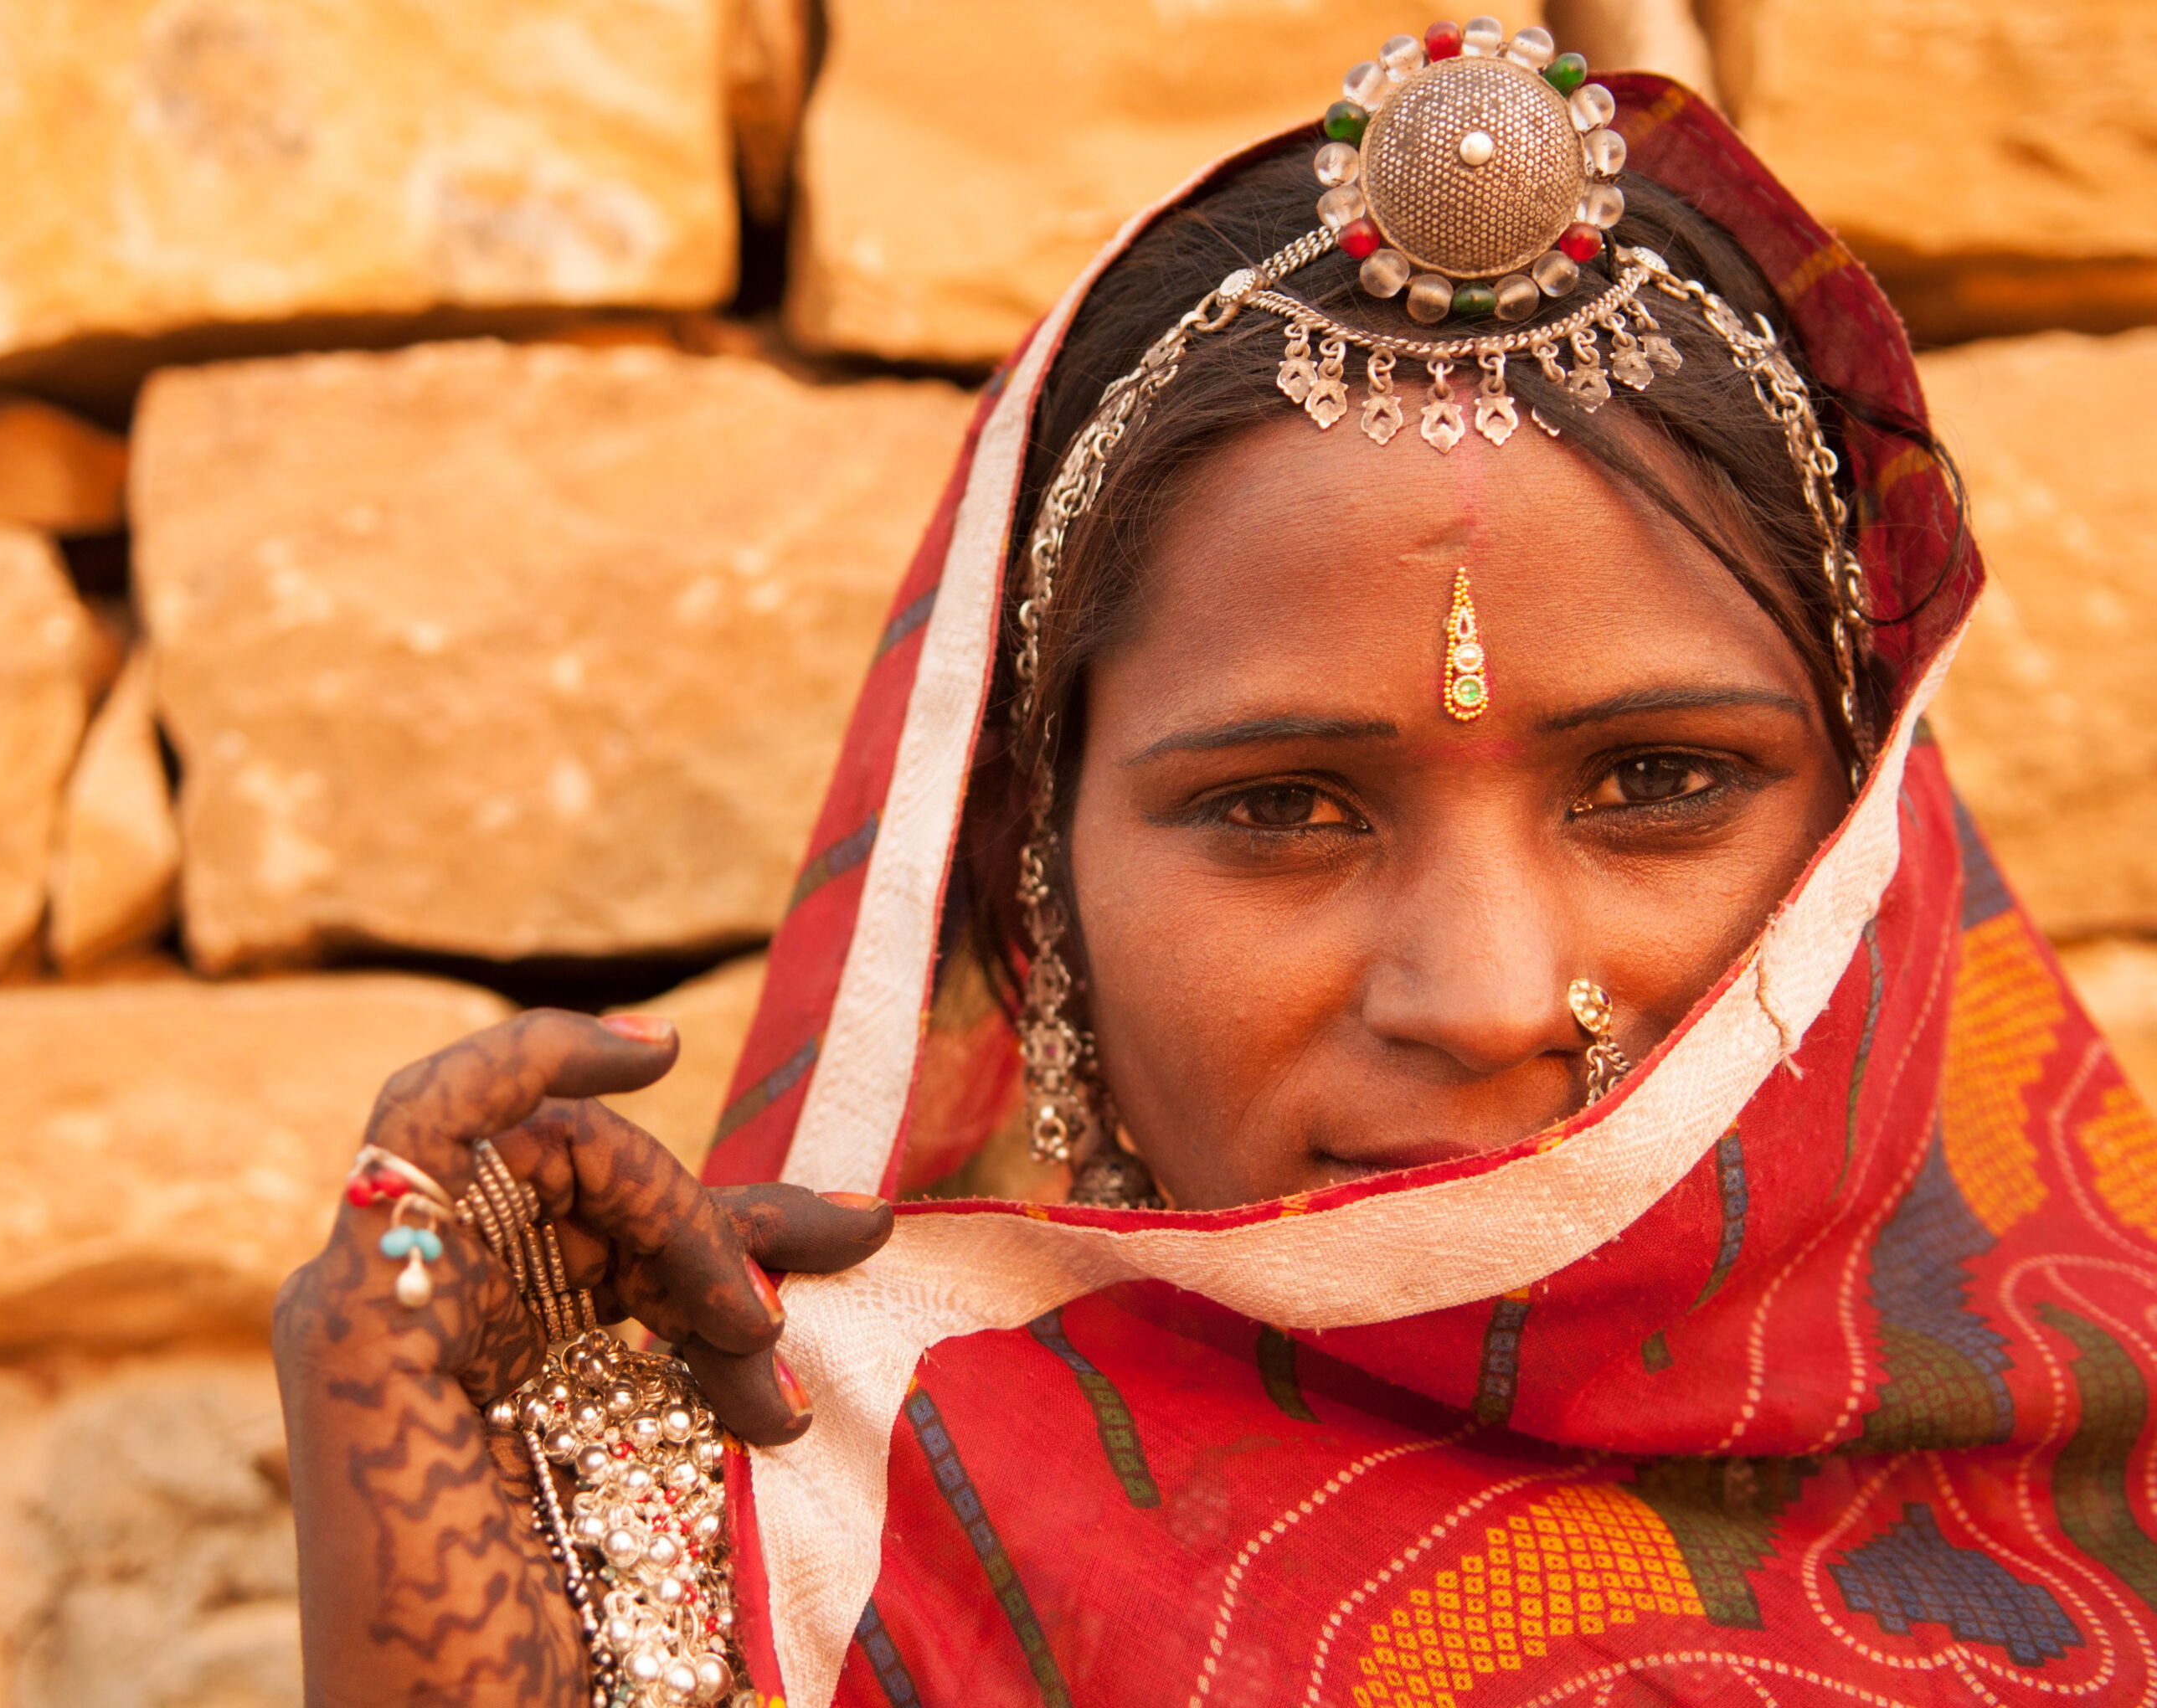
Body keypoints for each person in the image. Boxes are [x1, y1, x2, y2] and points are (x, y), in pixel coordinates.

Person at [274, 25, 2157, 1707]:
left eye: (1657, 780)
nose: (1489, 996)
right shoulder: (794, 1573)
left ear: (1864, 838)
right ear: (1035, 880)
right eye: (1283, 810)